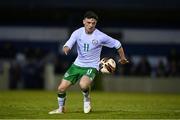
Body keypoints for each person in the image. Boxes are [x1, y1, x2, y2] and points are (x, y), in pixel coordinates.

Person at [49, 11, 129, 114]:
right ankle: (61, 109)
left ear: (95, 23)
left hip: (92, 66)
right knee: (61, 88)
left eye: (93, 23)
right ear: (83, 22)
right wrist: (66, 47)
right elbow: (69, 42)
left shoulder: (100, 36)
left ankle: (86, 99)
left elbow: (117, 44)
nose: (91, 25)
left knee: (83, 85)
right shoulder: (77, 32)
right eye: (88, 22)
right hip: (77, 64)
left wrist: (122, 58)